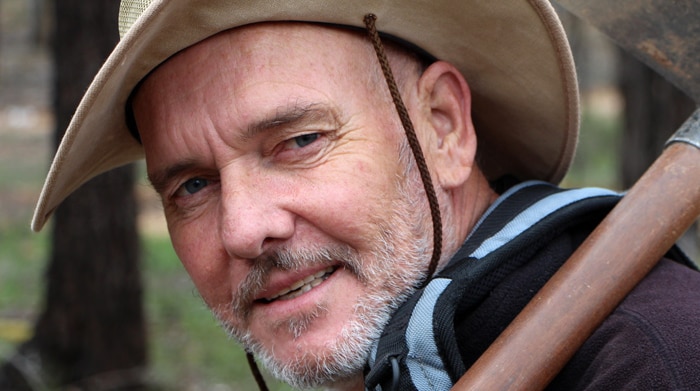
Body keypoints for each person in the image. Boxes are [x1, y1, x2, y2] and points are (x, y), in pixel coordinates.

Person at [32, 0, 700, 390]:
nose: (242, 229)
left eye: (298, 141)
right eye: (194, 185)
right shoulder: (409, 360)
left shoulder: (659, 359)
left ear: (443, 125)